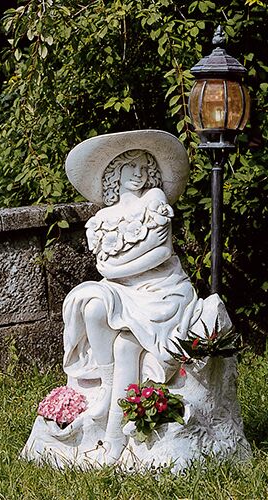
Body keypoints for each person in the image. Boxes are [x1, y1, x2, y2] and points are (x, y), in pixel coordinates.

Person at [63, 130, 201, 464]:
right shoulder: (102, 219)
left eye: (144, 165)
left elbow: (161, 253)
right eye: (130, 167)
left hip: (162, 291)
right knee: (91, 304)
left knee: (127, 345)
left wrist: (115, 270)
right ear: (115, 174)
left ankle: (115, 437)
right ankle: (107, 385)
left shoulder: (154, 201)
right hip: (123, 290)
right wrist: (114, 272)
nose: (139, 172)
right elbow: (102, 263)